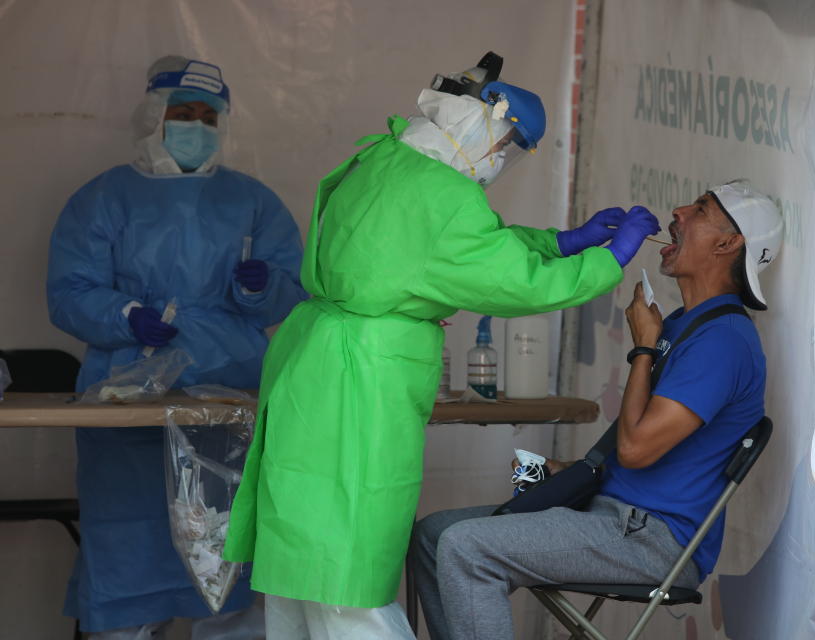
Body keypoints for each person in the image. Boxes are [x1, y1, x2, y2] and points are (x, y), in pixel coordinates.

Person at [222, 55, 660, 639]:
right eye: (507, 144)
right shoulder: (443, 196)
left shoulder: (383, 156)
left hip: (315, 368)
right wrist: (605, 259)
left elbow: (457, 247)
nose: (501, 160)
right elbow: (510, 278)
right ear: (487, 123)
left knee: (301, 569)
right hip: (361, 381)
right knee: (348, 577)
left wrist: (558, 242)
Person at [411, 180, 784, 640]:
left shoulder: (723, 341)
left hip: (653, 540)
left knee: (466, 548)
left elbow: (635, 450)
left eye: (701, 209)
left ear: (728, 243)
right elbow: (631, 453)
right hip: (610, 513)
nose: (680, 211)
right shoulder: (686, 323)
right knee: (432, 536)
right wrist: (570, 469)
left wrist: (643, 349)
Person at [46, 55, 308, 638]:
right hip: (126, 391)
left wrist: (257, 291)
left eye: (208, 117)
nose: (196, 126)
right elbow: (67, 292)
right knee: (128, 540)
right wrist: (125, 315)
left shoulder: (252, 203)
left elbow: (290, 293)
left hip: (230, 389)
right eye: (182, 113)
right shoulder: (103, 199)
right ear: (153, 117)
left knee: (229, 547)